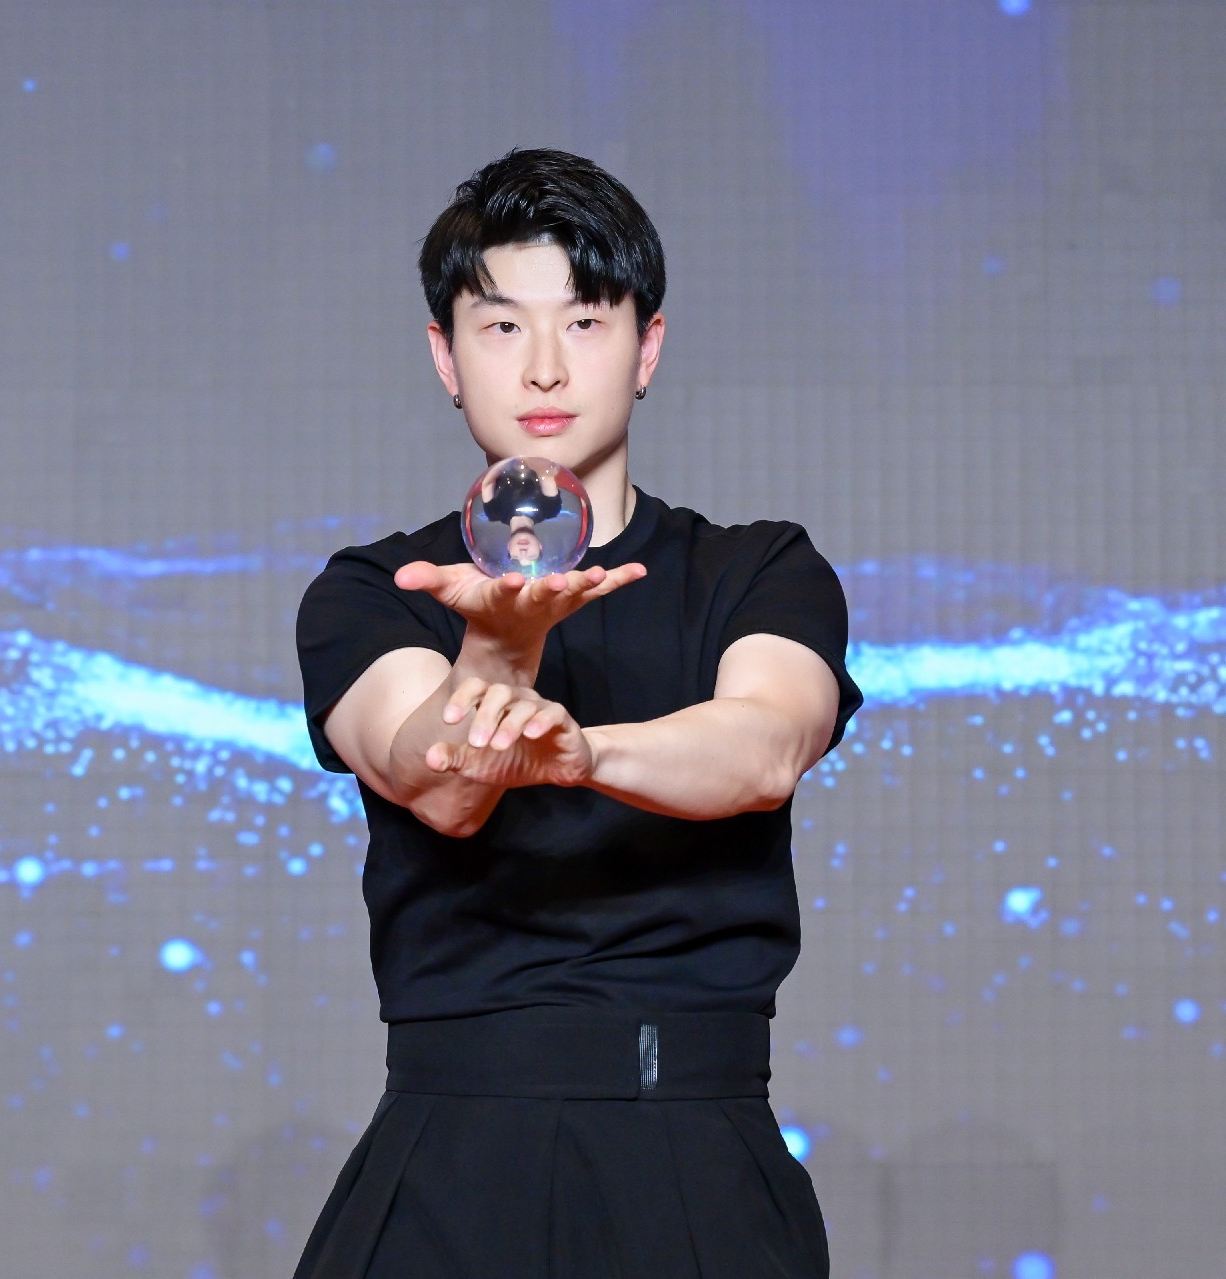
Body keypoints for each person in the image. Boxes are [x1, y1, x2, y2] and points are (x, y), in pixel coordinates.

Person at [293, 148, 862, 1278]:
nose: (545, 367)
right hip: (451, 1149)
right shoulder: (375, 590)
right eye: (502, 326)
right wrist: (501, 647)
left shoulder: (758, 570)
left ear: (647, 348)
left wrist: (581, 748)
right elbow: (435, 783)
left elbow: (764, 748)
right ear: (446, 358)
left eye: (587, 322)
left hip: (694, 1148)